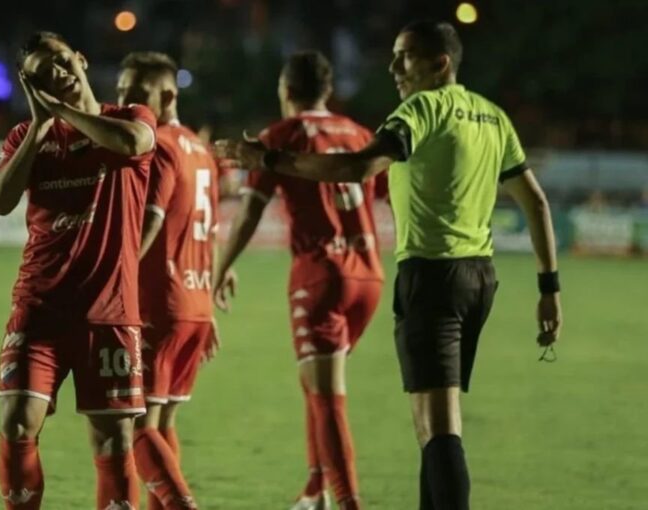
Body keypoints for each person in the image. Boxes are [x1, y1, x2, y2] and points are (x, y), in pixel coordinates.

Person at [215, 21, 562, 510]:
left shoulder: (419, 109)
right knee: (431, 424)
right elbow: (537, 203)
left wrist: (268, 159)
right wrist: (549, 289)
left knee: (437, 426)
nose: (394, 66)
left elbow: (357, 168)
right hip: (477, 278)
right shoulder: (492, 116)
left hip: (428, 276)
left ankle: (344, 497)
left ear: (440, 63)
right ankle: (319, 489)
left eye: (406, 56)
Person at [0, 31, 157, 510]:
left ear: (81, 58)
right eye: (43, 74)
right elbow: (0, 201)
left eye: (62, 61)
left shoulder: (130, 117)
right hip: (39, 308)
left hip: (110, 312)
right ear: (32, 87)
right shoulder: (25, 137)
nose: (58, 73)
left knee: (113, 439)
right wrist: (41, 126)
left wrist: (62, 111)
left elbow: (133, 143)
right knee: (16, 420)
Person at [214, 51, 385, 510]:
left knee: (327, 395)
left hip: (321, 275)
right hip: (369, 275)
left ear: (286, 90)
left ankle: (347, 502)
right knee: (316, 383)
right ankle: (314, 490)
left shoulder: (281, 136)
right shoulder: (359, 133)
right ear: (327, 90)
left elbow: (249, 210)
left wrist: (221, 265)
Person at [116, 51, 222, 510]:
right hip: (194, 303)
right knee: (163, 425)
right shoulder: (200, 148)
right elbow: (208, 231)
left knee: (137, 429)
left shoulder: (157, 144)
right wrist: (208, 305)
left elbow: (150, 221)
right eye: (121, 92)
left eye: (138, 94)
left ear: (169, 96)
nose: (126, 103)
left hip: (159, 301)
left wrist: (113, 278)